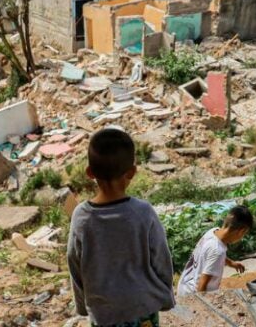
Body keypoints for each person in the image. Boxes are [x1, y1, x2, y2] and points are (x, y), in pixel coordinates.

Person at [67, 128, 175, 327]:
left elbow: (75, 263)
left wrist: (83, 305)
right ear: (132, 172)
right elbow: (161, 258)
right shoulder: (143, 212)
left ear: (89, 173)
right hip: (143, 309)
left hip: (104, 316)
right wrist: (166, 296)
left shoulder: (82, 217)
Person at [176, 205, 253, 296]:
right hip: (192, 295)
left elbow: (210, 256)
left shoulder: (213, 232)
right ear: (241, 231)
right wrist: (205, 306)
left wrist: (231, 263)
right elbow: (202, 285)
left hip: (184, 286)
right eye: (244, 234)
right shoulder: (217, 251)